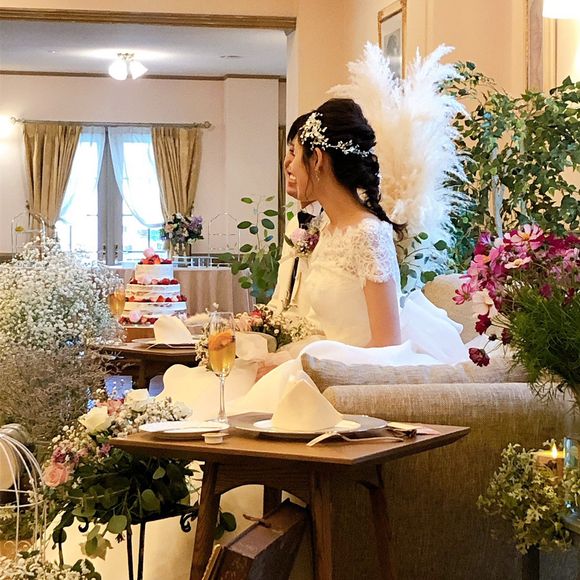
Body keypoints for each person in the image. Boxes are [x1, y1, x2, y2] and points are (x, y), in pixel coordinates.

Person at [268, 112, 322, 315]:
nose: (291, 164)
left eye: (298, 154)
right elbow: (280, 298)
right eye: (291, 151)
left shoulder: (334, 227)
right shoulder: (293, 224)